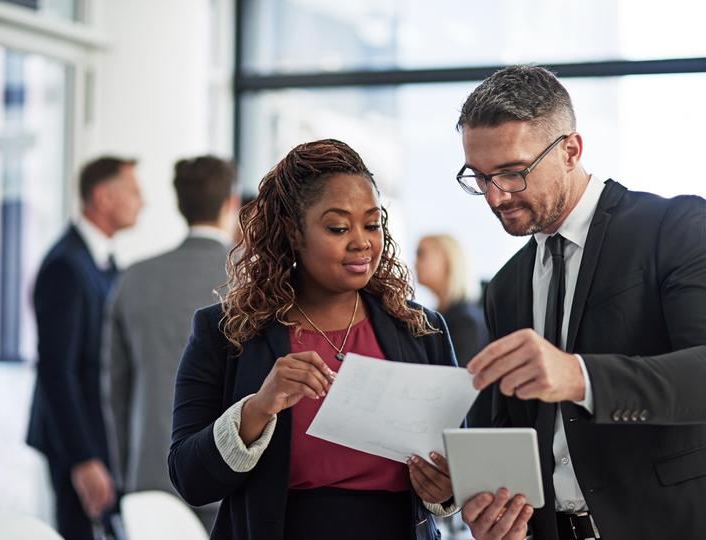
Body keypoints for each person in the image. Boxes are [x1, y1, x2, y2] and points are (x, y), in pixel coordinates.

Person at [454, 65, 706, 540]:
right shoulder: (506, 286)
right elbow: (513, 431)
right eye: (480, 177)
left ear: (571, 150)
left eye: (512, 173)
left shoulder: (673, 228)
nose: (494, 197)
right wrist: (495, 512)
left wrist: (580, 376)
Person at [168, 139, 459, 540]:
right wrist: (257, 408)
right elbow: (190, 479)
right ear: (293, 233)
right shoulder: (227, 332)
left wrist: (446, 488)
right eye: (338, 227)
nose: (361, 242)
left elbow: (457, 464)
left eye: (372, 224)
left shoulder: (422, 330)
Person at [101, 156, 238, 529]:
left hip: (150, 474)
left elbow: (115, 387)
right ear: (230, 203)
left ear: (179, 204)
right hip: (230, 471)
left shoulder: (135, 278)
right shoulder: (252, 276)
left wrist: (126, 471)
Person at [26, 156, 143, 539]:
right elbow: (56, 371)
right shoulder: (66, 266)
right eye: (133, 191)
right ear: (103, 197)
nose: (142, 201)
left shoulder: (104, 262)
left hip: (100, 438)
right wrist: (84, 459)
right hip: (76, 442)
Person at [416, 234, 488, 367]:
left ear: (447, 260)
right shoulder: (439, 315)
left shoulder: (466, 322)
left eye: (421, 254)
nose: (415, 263)